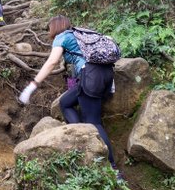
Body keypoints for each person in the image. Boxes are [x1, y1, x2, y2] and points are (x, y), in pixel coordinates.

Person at [19, 15, 121, 175]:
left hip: (91, 77)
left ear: (54, 28)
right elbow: (75, 71)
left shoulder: (62, 37)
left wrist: (33, 85)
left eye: (50, 29)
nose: (50, 33)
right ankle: (80, 137)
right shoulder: (79, 36)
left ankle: (112, 168)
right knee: (65, 103)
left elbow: (52, 62)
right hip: (104, 76)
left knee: (94, 123)